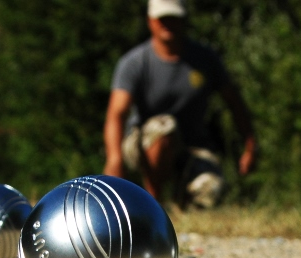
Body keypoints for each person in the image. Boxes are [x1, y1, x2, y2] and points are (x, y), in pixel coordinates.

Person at [103, 0, 257, 209]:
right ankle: (152, 201)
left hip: (192, 148)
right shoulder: (135, 63)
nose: (168, 24)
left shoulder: (205, 59)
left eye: (173, 18)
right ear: (150, 21)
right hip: (143, 142)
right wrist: (114, 159)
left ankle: (179, 203)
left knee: (212, 191)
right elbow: (116, 114)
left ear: (184, 20)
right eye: (162, 19)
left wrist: (249, 144)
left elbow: (234, 102)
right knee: (166, 127)